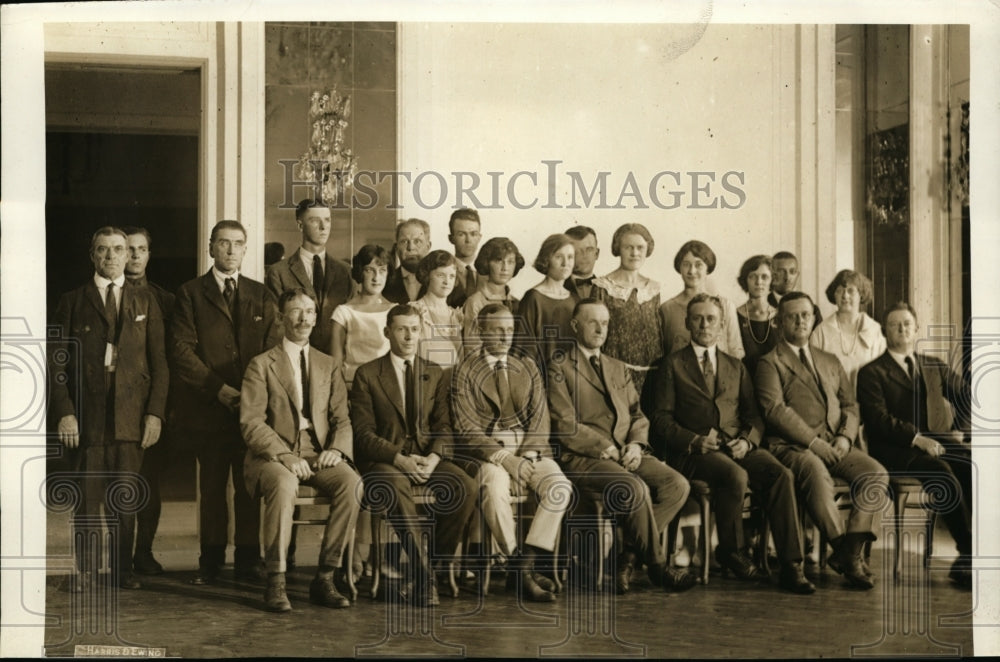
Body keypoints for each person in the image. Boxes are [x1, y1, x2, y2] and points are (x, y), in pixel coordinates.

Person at [646, 293, 814, 594]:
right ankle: (731, 550)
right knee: (734, 474)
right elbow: (660, 419)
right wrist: (694, 440)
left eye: (711, 318)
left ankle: (792, 565)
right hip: (692, 451)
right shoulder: (671, 365)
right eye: (697, 318)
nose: (704, 324)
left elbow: (756, 417)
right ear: (687, 323)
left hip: (734, 444)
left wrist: (748, 442)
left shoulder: (735, 366)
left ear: (722, 324)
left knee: (781, 475)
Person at [548, 298, 696, 594]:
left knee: (677, 484)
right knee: (633, 487)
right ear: (576, 326)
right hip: (584, 457)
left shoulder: (616, 366)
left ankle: (628, 556)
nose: (600, 329)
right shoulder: (559, 366)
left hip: (625, 452)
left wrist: (636, 446)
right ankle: (656, 566)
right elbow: (564, 424)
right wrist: (606, 448)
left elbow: (638, 414)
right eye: (593, 322)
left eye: (604, 323)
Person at [50, 226, 169, 591]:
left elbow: (160, 363)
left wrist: (155, 414)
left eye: (118, 250)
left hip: (131, 417)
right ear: (92, 256)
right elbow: (55, 364)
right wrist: (65, 411)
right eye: (103, 250)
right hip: (88, 417)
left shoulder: (146, 301)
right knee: (87, 499)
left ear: (127, 255)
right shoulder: (72, 301)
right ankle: (84, 572)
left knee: (126, 499)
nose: (112, 257)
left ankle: (121, 571)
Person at [173, 220, 283, 585]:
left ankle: (249, 557)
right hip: (209, 410)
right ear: (211, 248)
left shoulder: (261, 295)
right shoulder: (190, 293)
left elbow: (274, 350)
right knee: (213, 489)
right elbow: (182, 352)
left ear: (245, 249)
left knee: (249, 485)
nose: (231, 250)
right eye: (223, 243)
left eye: (238, 244)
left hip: (252, 412)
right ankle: (211, 559)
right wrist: (219, 390)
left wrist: (253, 397)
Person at [754, 292, 889, 590]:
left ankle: (849, 552)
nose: (801, 320)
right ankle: (844, 552)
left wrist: (844, 436)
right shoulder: (769, 363)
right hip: (793, 447)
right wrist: (814, 443)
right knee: (815, 473)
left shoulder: (829, 359)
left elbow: (851, 405)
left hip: (836, 443)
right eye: (792, 316)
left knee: (876, 474)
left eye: (806, 314)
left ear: (814, 318)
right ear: (779, 323)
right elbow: (775, 411)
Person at [240, 288, 363, 612]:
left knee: (352, 484)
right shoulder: (261, 365)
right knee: (284, 485)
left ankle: (325, 576)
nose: (303, 318)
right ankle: (276, 581)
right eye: (295, 311)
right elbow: (251, 422)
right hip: (274, 453)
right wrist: (285, 456)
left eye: (309, 311)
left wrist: (336, 450)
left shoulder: (328, 364)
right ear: (281, 318)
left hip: (318, 451)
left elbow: (343, 419)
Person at [349, 304, 479, 606]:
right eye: (401, 329)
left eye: (414, 329)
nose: (409, 336)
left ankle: (427, 572)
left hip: (426, 457)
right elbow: (363, 434)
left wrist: (434, 458)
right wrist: (399, 459)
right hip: (386, 460)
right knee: (395, 485)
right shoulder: (367, 375)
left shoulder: (434, 373)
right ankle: (426, 578)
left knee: (465, 487)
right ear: (387, 332)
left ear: (421, 332)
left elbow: (444, 425)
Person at [452, 304, 570, 602]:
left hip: (529, 449)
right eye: (497, 330)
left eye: (509, 329)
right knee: (494, 486)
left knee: (560, 486)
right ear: (480, 331)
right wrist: (506, 459)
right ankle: (517, 564)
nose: (505, 336)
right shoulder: (464, 370)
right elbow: (466, 429)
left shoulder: (527, 365)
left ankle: (523, 565)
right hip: (487, 454)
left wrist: (528, 456)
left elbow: (541, 417)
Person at [857, 302, 972, 588]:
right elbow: (878, 419)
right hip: (895, 449)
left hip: (936, 441)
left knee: (971, 464)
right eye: (895, 324)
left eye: (907, 323)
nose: (902, 329)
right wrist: (916, 438)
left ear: (917, 328)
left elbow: (966, 394)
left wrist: (961, 429)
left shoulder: (933, 366)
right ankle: (969, 554)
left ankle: (968, 557)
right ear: (885, 331)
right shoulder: (872, 372)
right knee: (941, 472)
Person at [122, 226, 177, 576]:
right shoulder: (105, 295)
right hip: (118, 406)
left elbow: (168, 359)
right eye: (129, 249)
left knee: (149, 482)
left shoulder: (165, 300)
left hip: (153, 407)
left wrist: (161, 409)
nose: (135, 255)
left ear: (149, 254)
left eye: (142, 248)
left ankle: (144, 552)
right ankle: (118, 559)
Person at [265, 199, 353, 353]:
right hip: (294, 357)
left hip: (335, 359)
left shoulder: (345, 271)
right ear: (300, 225)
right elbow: (277, 324)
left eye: (327, 220)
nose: (323, 227)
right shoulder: (279, 272)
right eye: (315, 220)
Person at [592, 223, 662, 393]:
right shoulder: (603, 286)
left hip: (652, 374)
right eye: (628, 247)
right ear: (618, 249)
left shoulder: (653, 288)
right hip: (615, 373)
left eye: (640, 247)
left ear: (648, 249)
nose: (635, 253)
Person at [659, 239, 743, 359]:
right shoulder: (667, 309)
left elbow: (736, 352)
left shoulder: (726, 306)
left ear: (707, 268)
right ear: (680, 268)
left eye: (698, 265)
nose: (692, 271)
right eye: (686, 264)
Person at [810, 269, 885, 392]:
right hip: (833, 403)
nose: (845, 296)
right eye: (840, 291)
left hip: (867, 402)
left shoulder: (875, 331)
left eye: (851, 291)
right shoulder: (821, 332)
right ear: (834, 295)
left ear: (861, 295)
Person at [329, 244, 394, 384]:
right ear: (360, 272)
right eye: (370, 270)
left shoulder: (395, 310)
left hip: (388, 387)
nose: (376, 278)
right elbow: (336, 364)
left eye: (382, 270)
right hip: (353, 387)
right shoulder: (343, 312)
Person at [517, 234, 577, 375]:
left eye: (570, 257)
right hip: (542, 377)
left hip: (573, 379)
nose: (565, 263)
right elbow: (525, 349)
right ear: (546, 260)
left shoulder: (575, 299)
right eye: (558, 257)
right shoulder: (533, 298)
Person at [461, 237, 524, 353]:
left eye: (510, 262)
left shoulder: (517, 303)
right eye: (499, 261)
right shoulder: (475, 302)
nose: (505, 268)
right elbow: (472, 349)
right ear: (486, 263)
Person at [411, 250, 465, 368]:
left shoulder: (455, 315)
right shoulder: (415, 310)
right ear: (427, 275)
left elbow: (460, 357)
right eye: (441, 275)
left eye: (451, 276)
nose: (447, 281)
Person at [735, 254, 779, 376]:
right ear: (745, 280)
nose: (758, 282)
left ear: (772, 280)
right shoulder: (734, 316)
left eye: (764, 277)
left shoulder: (781, 316)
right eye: (752, 277)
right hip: (742, 380)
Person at [768, 251, 822, 329]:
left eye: (792, 272)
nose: (787, 278)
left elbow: (818, 340)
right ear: (772, 275)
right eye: (781, 272)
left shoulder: (813, 310)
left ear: (797, 275)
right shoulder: (760, 308)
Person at [383, 218, 431, 303]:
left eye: (417, 241)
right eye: (404, 241)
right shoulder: (384, 282)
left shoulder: (440, 281)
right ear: (396, 248)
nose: (410, 248)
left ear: (428, 246)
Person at [445, 208, 484, 308]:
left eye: (473, 234)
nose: (468, 240)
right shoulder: (442, 271)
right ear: (451, 238)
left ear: (480, 237)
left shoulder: (489, 272)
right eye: (461, 234)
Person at [564, 225, 600, 301]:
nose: (584, 256)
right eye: (577, 251)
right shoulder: (557, 288)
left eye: (589, 249)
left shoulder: (608, 289)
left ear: (597, 254)